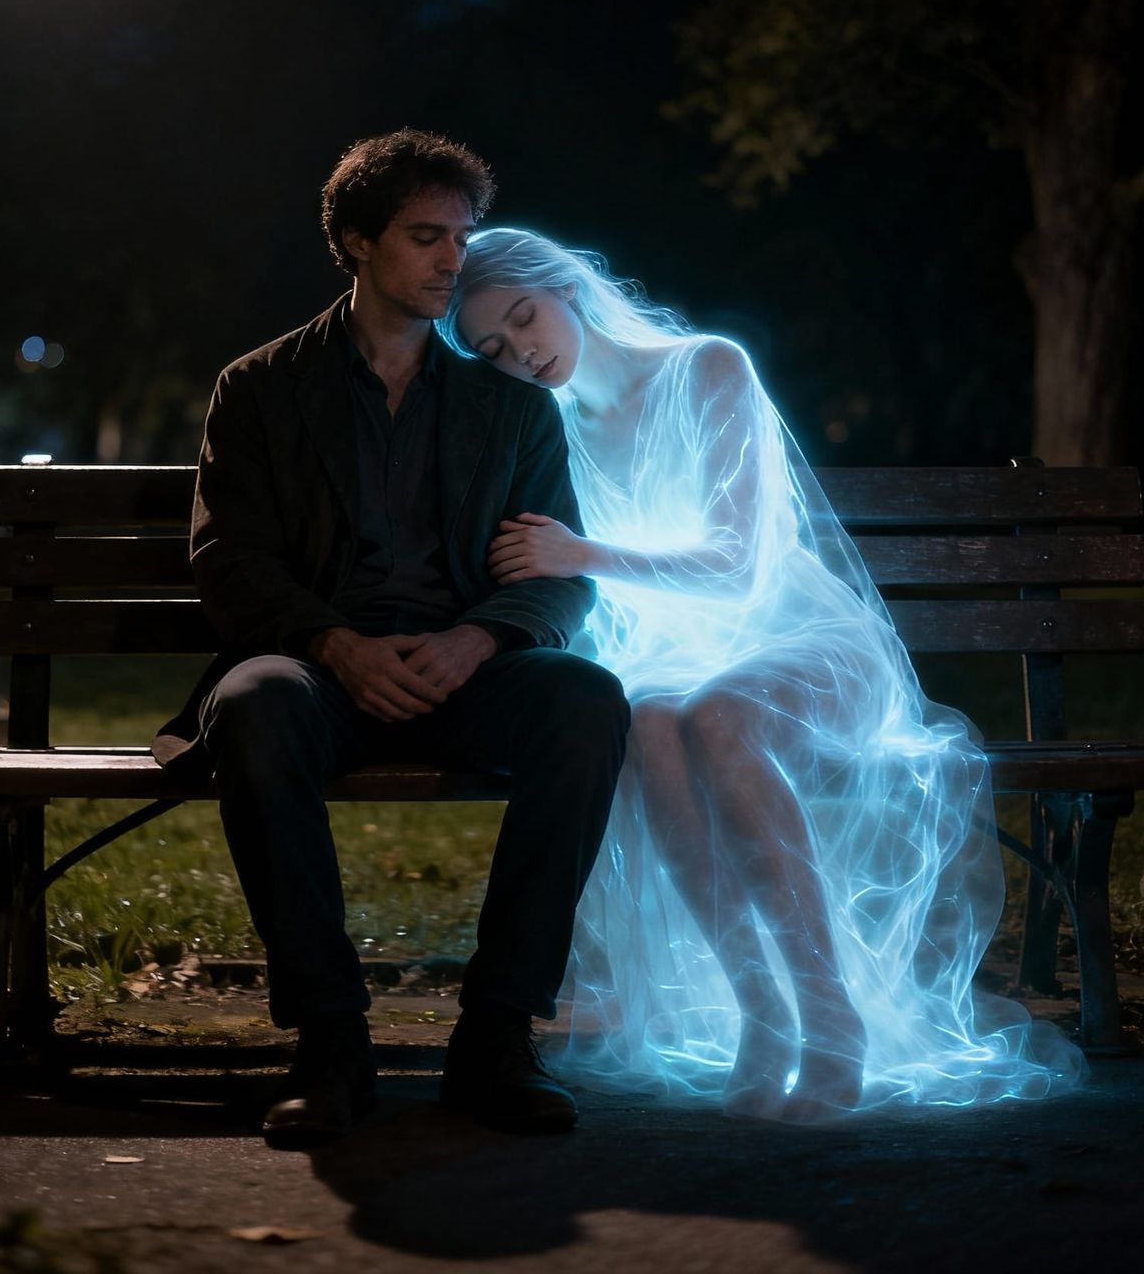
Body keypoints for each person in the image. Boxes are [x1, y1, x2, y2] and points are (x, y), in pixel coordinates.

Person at [440, 227, 1083, 1121]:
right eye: (494, 350)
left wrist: (581, 552)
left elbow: (738, 566)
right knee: (652, 725)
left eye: (524, 317)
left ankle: (831, 1019)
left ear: (570, 289)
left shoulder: (707, 369)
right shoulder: (548, 429)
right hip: (682, 655)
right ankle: (763, 1016)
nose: (522, 351)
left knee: (719, 717)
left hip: (810, 644)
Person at [155, 136, 629, 1145]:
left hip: (463, 672)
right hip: (323, 673)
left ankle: (497, 1037)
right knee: (253, 704)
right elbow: (230, 561)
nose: (453, 258)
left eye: (460, 235)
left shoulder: (510, 406)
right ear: (357, 239)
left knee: (584, 701)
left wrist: (476, 643)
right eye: (425, 236)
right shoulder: (261, 389)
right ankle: (330, 1044)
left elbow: (555, 581)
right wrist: (334, 644)